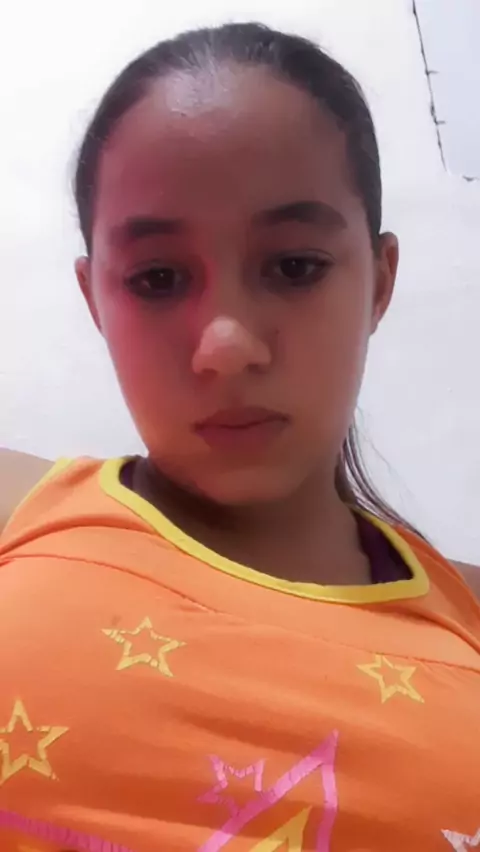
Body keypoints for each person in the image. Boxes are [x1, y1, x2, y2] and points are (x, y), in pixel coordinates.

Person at [0, 21, 479, 852]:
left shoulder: (464, 622)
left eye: (294, 266)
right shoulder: (24, 514)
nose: (225, 346)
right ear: (94, 299)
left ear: (379, 282)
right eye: (157, 277)